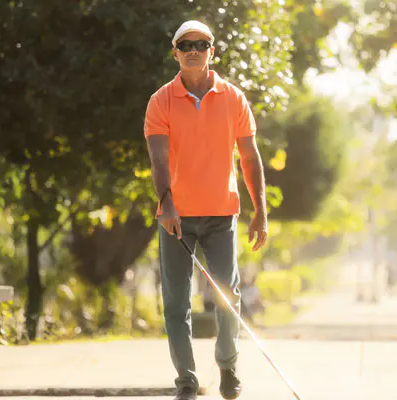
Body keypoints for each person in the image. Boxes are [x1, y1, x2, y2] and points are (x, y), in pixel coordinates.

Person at [143, 20, 269, 400]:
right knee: (177, 302)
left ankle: (227, 366)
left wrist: (260, 209)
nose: (193, 50)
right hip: (176, 217)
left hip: (221, 212)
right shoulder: (160, 101)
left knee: (227, 294)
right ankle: (187, 381)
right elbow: (158, 158)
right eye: (186, 45)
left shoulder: (233, 98)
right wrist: (166, 203)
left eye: (201, 44)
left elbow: (249, 156)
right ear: (175, 53)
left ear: (212, 51)